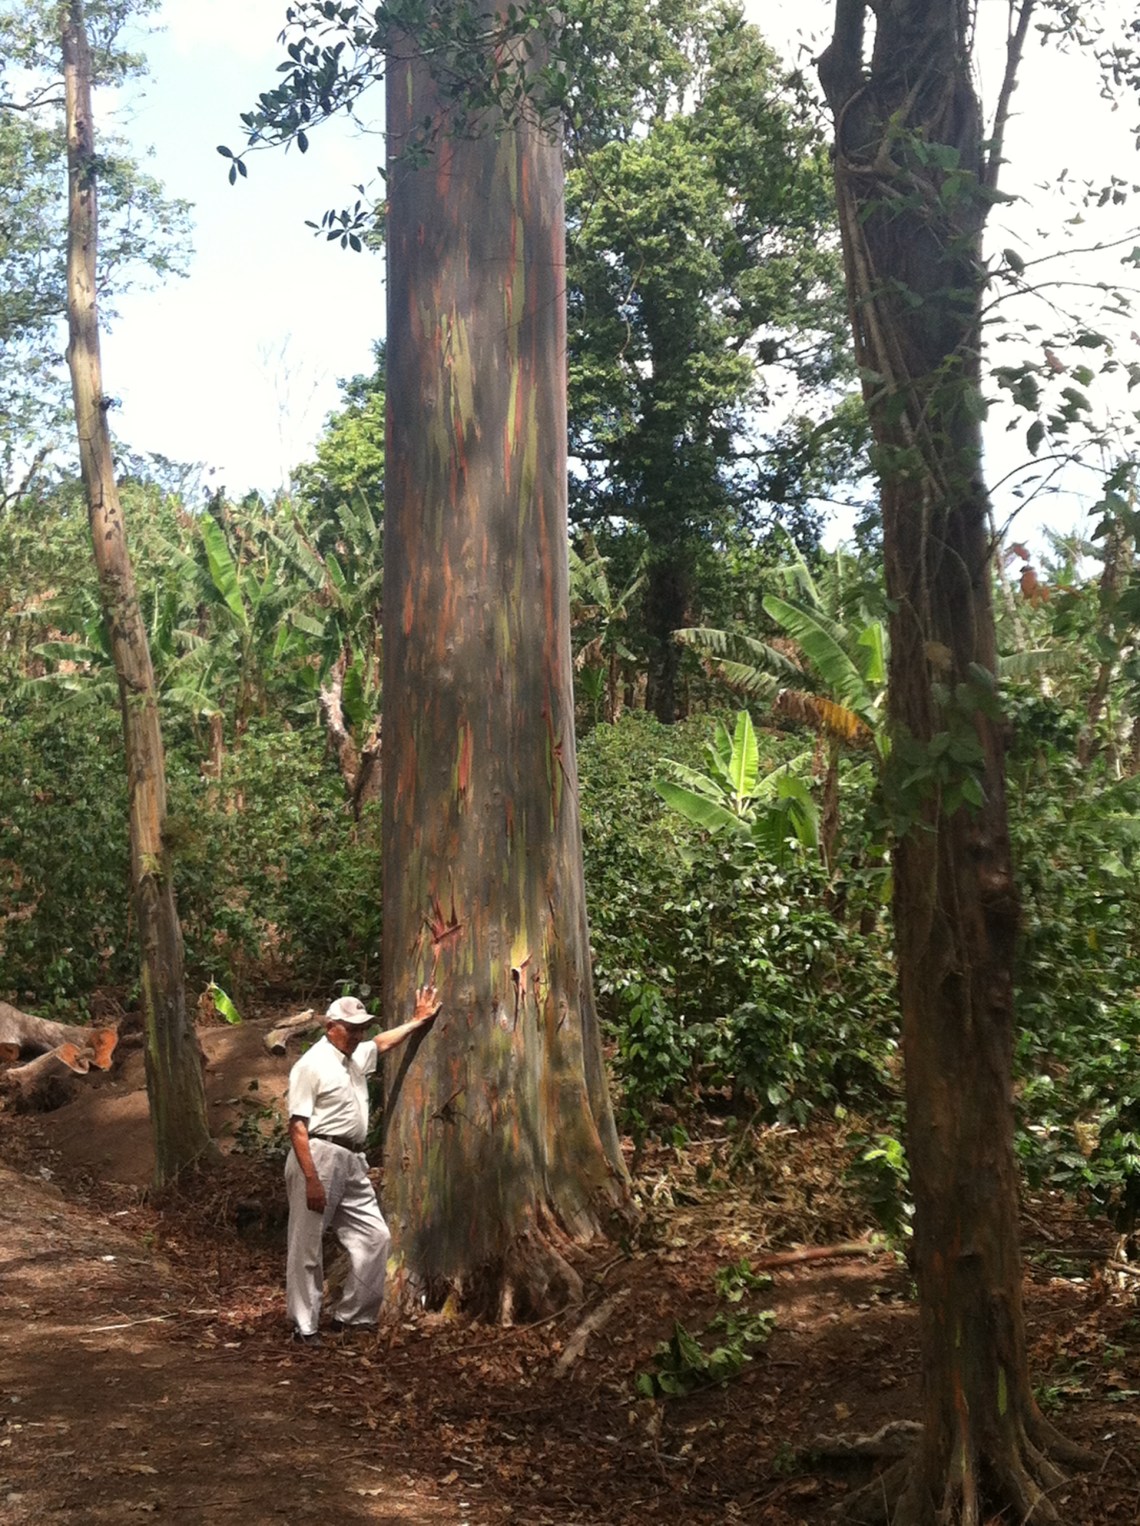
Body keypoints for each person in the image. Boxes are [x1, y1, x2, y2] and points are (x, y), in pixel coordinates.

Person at [284, 986, 440, 1345]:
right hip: (318, 1155)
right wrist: (311, 1179)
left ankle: (353, 1315)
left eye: (361, 1028)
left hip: (353, 1158)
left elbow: (382, 1043)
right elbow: (297, 1126)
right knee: (307, 1243)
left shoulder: (354, 1055)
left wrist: (417, 1022)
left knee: (375, 1236)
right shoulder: (311, 1065)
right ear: (330, 1027)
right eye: (351, 1028)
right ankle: (305, 1326)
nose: (359, 1035)